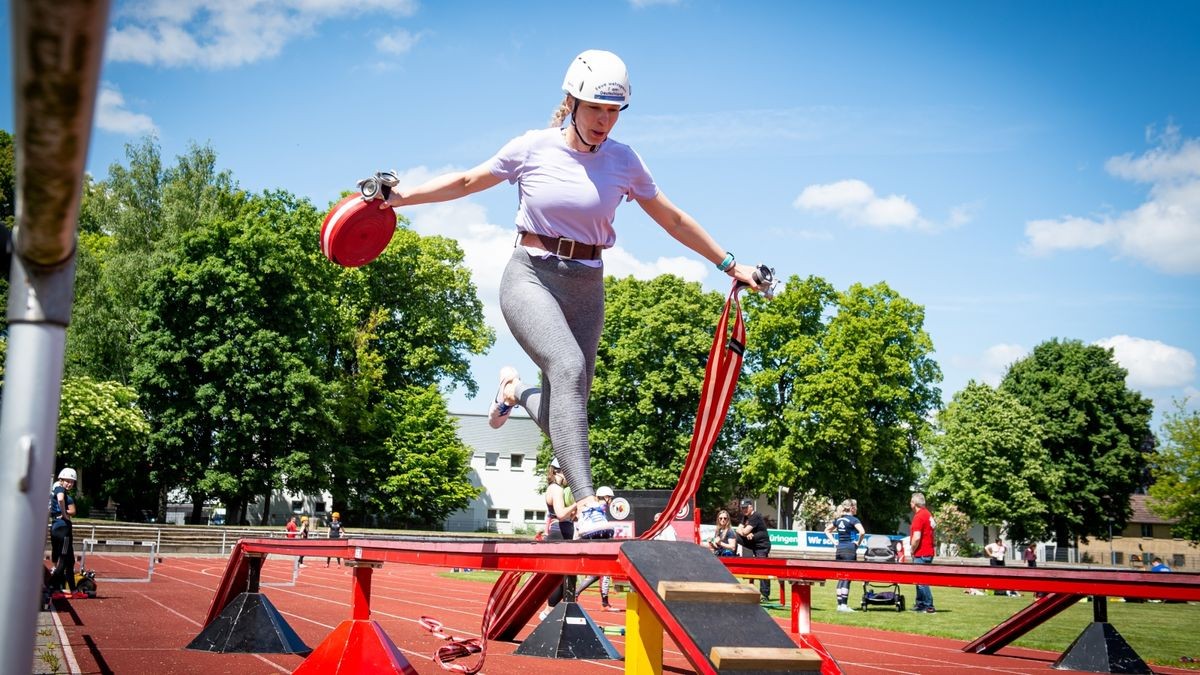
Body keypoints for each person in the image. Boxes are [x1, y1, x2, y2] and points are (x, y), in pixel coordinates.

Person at [382, 49, 770, 540]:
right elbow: (465, 180)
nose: (605, 121)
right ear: (571, 102)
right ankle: (587, 504)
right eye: (596, 109)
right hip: (530, 276)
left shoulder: (624, 162)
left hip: (587, 285)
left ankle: (515, 392)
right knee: (565, 368)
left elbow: (672, 218)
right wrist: (401, 198)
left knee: (569, 411)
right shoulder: (532, 148)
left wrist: (731, 264)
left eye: (614, 112)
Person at [540, 458, 580, 619]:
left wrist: (574, 513)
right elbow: (561, 514)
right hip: (559, 534)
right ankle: (549, 611)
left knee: (568, 576)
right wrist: (576, 503)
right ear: (558, 470)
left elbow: (567, 516)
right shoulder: (556, 489)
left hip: (564, 532)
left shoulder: (559, 489)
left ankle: (557, 610)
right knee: (559, 575)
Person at [48, 468, 85, 599]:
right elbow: (61, 499)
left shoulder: (56, 490)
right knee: (63, 561)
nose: (69, 484)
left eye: (72, 482)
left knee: (69, 561)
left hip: (56, 527)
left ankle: (73, 591)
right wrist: (63, 514)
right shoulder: (60, 490)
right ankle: (51, 588)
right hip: (63, 529)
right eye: (67, 481)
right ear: (61, 480)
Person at [825, 499, 865, 612]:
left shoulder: (838, 520)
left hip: (839, 549)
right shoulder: (853, 520)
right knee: (847, 577)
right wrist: (858, 543)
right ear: (852, 507)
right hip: (849, 549)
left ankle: (839, 605)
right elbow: (862, 532)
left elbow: (827, 530)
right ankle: (844, 605)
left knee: (840, 577)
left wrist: (835, 542)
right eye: (856, 506)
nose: (856, 508)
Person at [734, 498, 772, 601]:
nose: (744, 510)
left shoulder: (756, 516)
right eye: (742, 508)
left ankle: (765, 595)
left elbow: (744, 531)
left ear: (751, 507)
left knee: (762, 569)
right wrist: (746, 533)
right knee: (735, 537)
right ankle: (733, 556)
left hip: (762, 546)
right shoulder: (745, 517)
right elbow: (738, 529)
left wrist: (746, 532)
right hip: (753, 544)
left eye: (746, 508)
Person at [908, 493, 936, 613]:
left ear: (914, 504)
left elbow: (917, 537)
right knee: (919, 580)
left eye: (911, 502)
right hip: (928, 551)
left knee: (922, 581)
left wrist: (912, 549)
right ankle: (920, 604)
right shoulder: (928, 514)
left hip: (921, 552)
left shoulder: (919, 517)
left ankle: (929, 605)